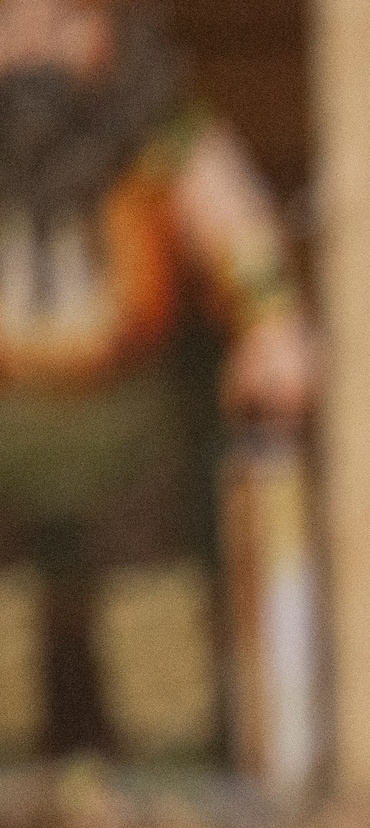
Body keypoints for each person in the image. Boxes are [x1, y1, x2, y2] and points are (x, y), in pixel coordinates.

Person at [0, 0, 312, 757]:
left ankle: (167, 762)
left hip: (128, 426)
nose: (37, 46)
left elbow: (237, 232)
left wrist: (270, 324)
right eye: (8, 22)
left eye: (66, 21)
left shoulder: (157, 138)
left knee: (152, 601)